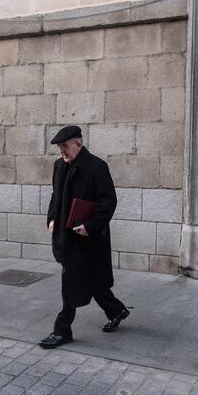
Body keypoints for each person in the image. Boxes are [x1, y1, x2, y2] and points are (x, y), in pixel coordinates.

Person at [39, 125, 129, 349]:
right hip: (65, 237)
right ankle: (117, 310)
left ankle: (62, 331)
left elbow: (109, 201)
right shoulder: (59, 166)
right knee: (85, 279)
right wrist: (51, 219)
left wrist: (90, 226)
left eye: (65, 146)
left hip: (89, 238)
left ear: (78, 143)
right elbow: (55, 196)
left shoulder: (97, 167)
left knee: (75, 282)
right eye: (59, 147)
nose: (62, 151)